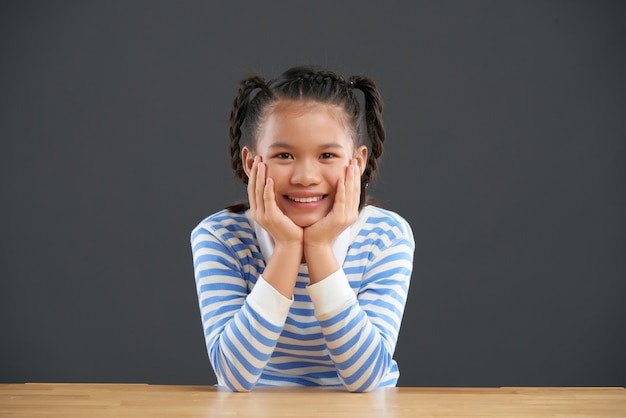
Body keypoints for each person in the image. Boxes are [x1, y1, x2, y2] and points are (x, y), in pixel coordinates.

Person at [190, 65, 415, 392]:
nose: (305, 176)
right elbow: (234, 375)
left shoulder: (386, 236)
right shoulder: (220, 237)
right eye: (284, 155)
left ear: (358, 161)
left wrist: (320, 249)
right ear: (251, 162)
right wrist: (287, 249)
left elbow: (366, 377)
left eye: (327, 154)